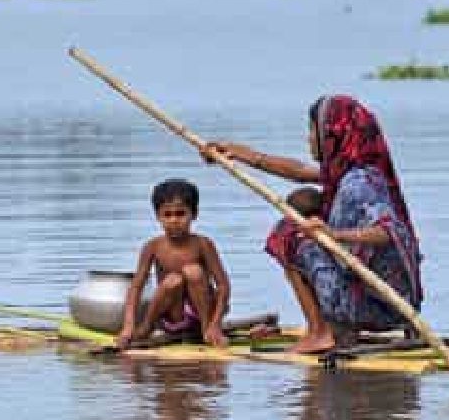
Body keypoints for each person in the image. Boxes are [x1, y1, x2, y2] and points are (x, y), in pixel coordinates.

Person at [207, 95, 424, 354]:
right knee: (306, 207)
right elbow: (299, 172)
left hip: (375, 308)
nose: (309, 139)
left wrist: (334, 234)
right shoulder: (353, 172)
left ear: (333, 134)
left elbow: (389, 231)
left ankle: (320, 332)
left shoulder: (357, 183)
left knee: (286, 234)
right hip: (395, 307)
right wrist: (242, 155)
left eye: (313, 131)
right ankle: (336, 329)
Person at [116, 178, 231, 350]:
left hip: (202, 314)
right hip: (173, 317)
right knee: (173, 280)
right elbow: (136, 287)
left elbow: (223, 286)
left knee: (193, 271)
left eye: (180, 213)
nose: (174, 220)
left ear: (194, 214)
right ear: (158, 216)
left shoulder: (203, 244)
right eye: (167, 215)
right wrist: (129, 325)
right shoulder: (152, 246)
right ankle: (147, 327)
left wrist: (216, 323)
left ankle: (207, 330)